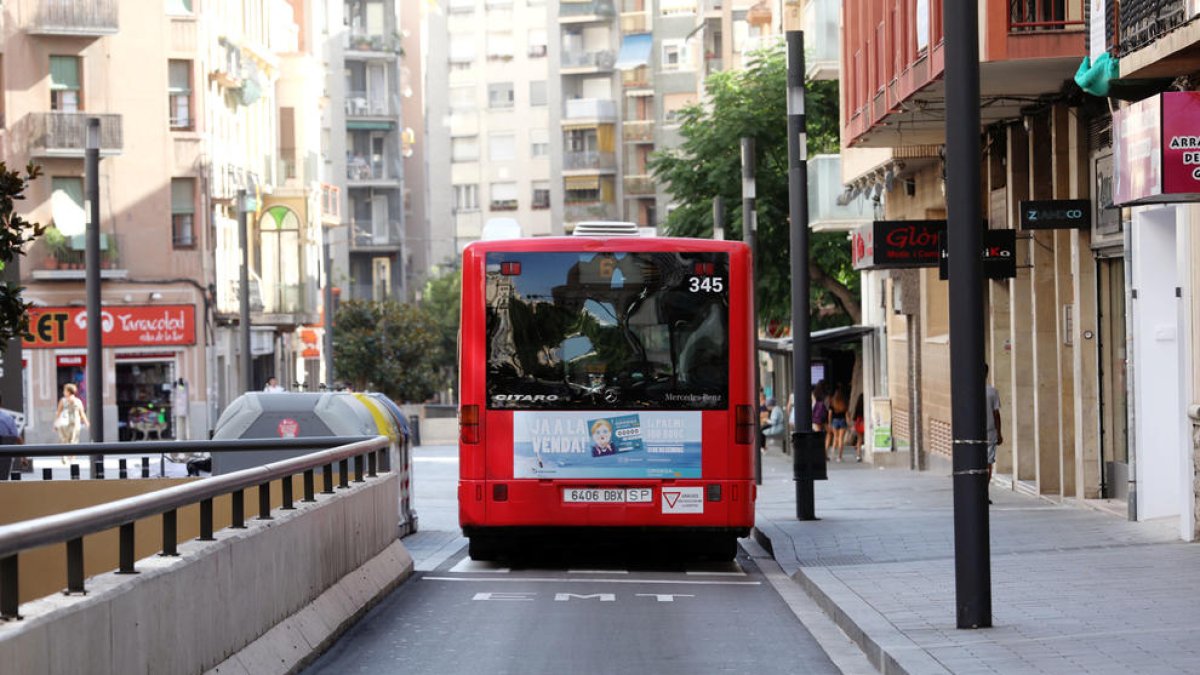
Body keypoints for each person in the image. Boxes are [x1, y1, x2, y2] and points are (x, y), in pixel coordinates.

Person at [985, 364, 1002, 504]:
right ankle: (984, 492)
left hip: (974, 434)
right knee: (988, 463)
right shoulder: (992, 392)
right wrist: (999, 432)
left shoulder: (968, 390)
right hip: (990, 432)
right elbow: (996, 414)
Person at [829, 383, 850, 462]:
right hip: (842, 421)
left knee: (835, 438)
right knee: (841, 438)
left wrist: (829, 422)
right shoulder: (844, 402)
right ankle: (839, 457)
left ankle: (832, 455)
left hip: (834, 421)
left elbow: (830, 414)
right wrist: (849, 423)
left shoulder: (832, 402)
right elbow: (847, 414)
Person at [811, 381, 829, 460]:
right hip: (824, 417)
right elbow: (827, 407)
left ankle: (818, 453)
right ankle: (824, 453)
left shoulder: (814, 394)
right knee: (828, 434)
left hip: (816, 417)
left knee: (818, 436)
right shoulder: (826, 396)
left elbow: (812, 406)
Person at [849, 394, 865, 463]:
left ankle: (858, 456)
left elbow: (854, 418)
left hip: (858, 424)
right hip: (865, 423)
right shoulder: (866, 406)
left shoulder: (858, 407)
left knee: (859, 440)